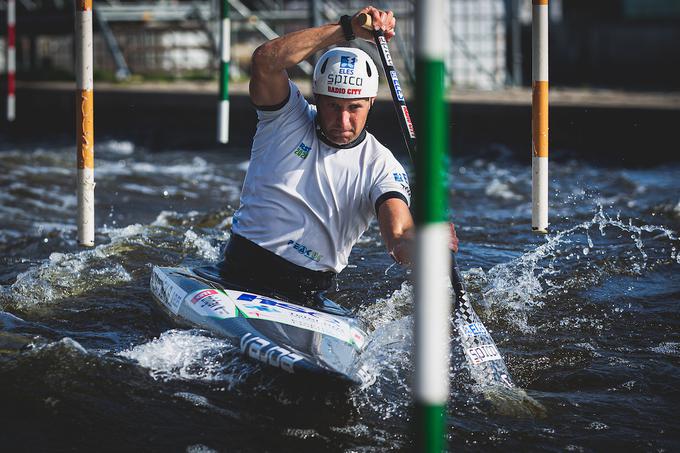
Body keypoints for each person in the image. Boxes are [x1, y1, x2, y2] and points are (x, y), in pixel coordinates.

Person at [218, 6, 457, 303]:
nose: (343, 121)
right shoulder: (285, 118)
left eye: (354, 107)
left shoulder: (381, 166)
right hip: (238, 272)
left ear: (370, 102)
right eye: (333, 106)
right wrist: (347, 30)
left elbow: (398, 237)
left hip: (306, 293)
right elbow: (265, 61)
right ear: (317, 97)